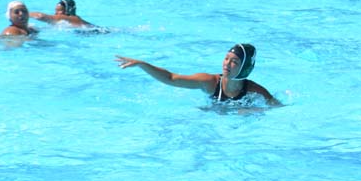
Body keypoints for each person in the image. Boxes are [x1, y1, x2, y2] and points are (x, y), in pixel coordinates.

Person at [117, 43, 281, 106]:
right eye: (226, 58)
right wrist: (143, 65)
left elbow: (277, 108)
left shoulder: (256, 91)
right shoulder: (209, 82)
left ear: (244, 68)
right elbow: (171, 78)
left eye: (234, 62)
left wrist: (254, 112)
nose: (226, 64)